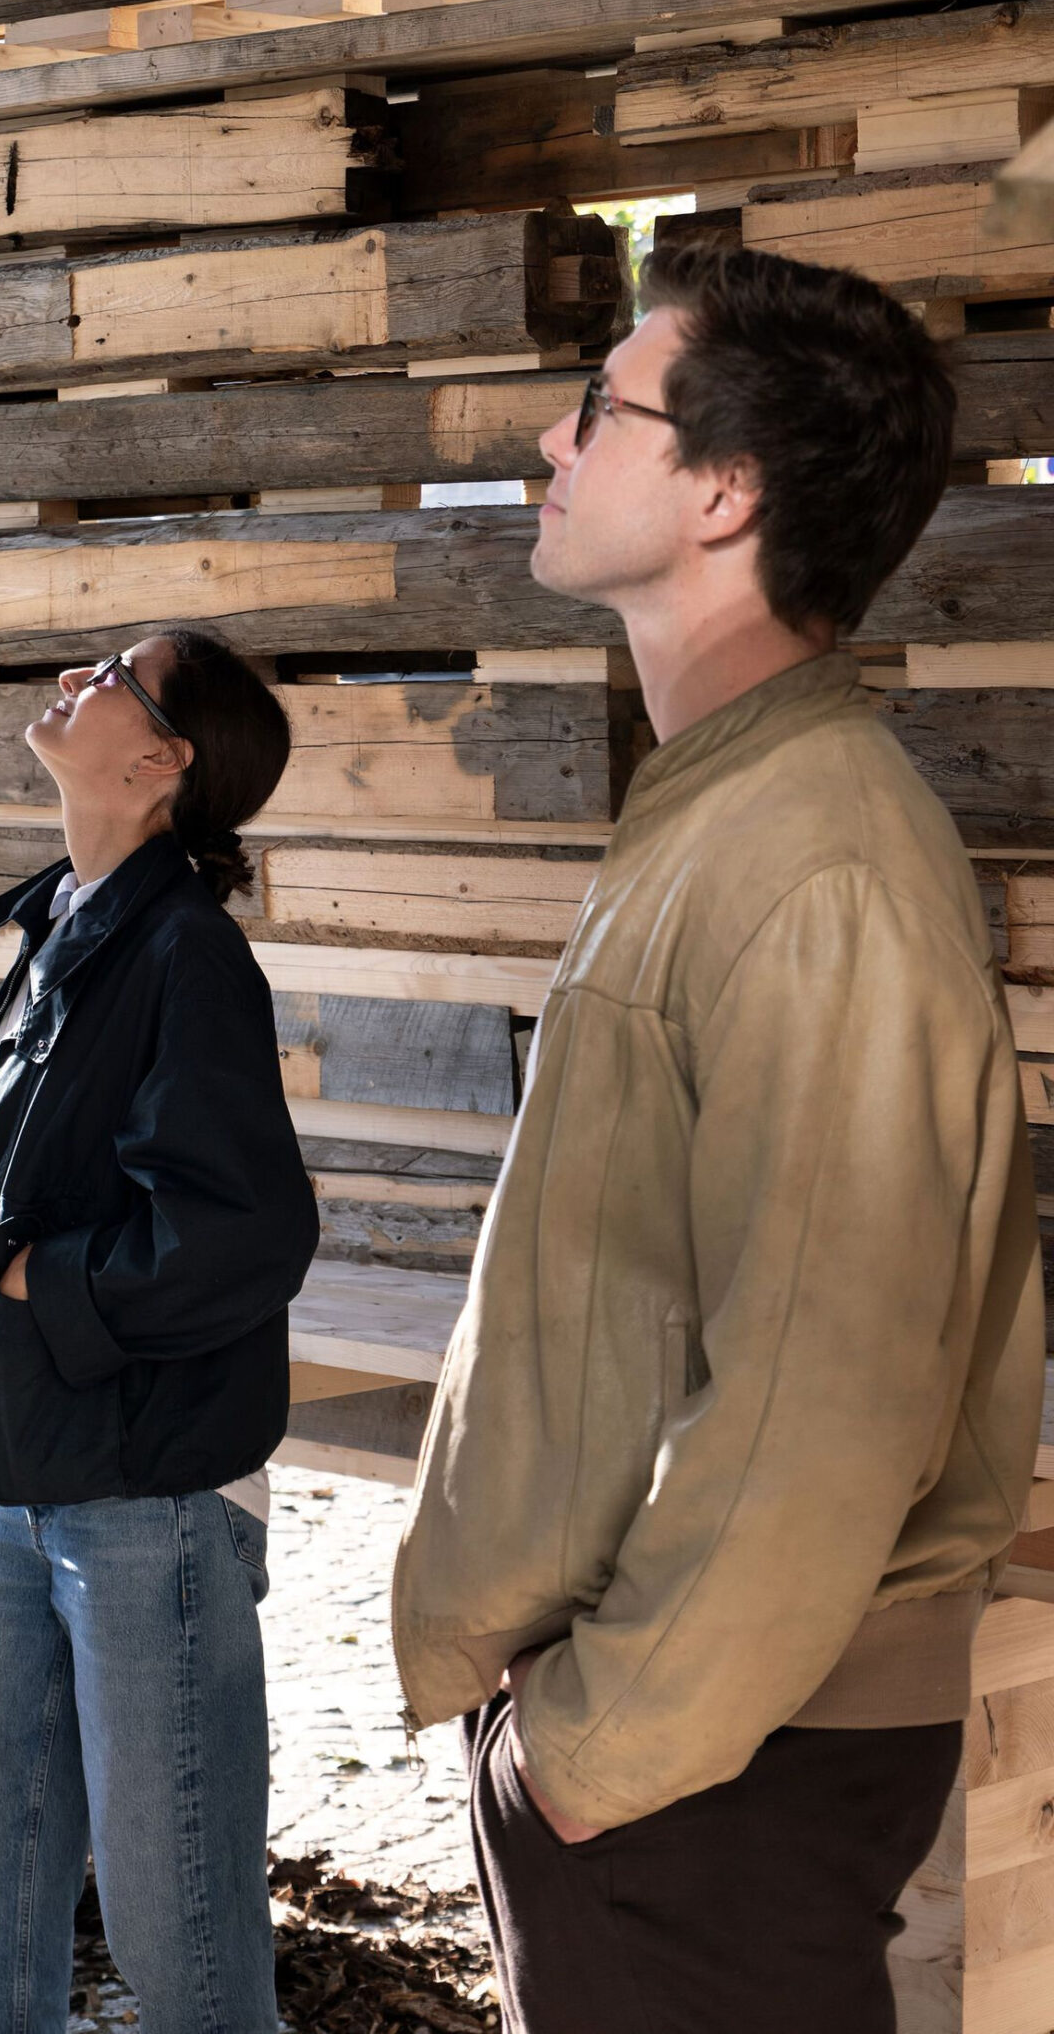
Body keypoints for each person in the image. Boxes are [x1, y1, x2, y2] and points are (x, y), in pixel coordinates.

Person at [393, 241, 1044, 2033]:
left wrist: (596, 1750)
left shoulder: (815, 858)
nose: (552, 441)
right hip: (683, 1741)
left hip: (713, 1761)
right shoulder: (728, 807)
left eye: (599, 408)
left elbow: (823, 1392)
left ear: (726, 490)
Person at [0, 626, 319, 2034]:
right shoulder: (61, 925)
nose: (73, 681)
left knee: (175, 1927)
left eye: (113, 679)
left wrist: (39, 1280)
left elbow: (242, 1233)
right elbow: (55, 1158)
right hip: (10, 1475)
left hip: (147, 1503)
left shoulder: (189, 953)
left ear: (162, 761)